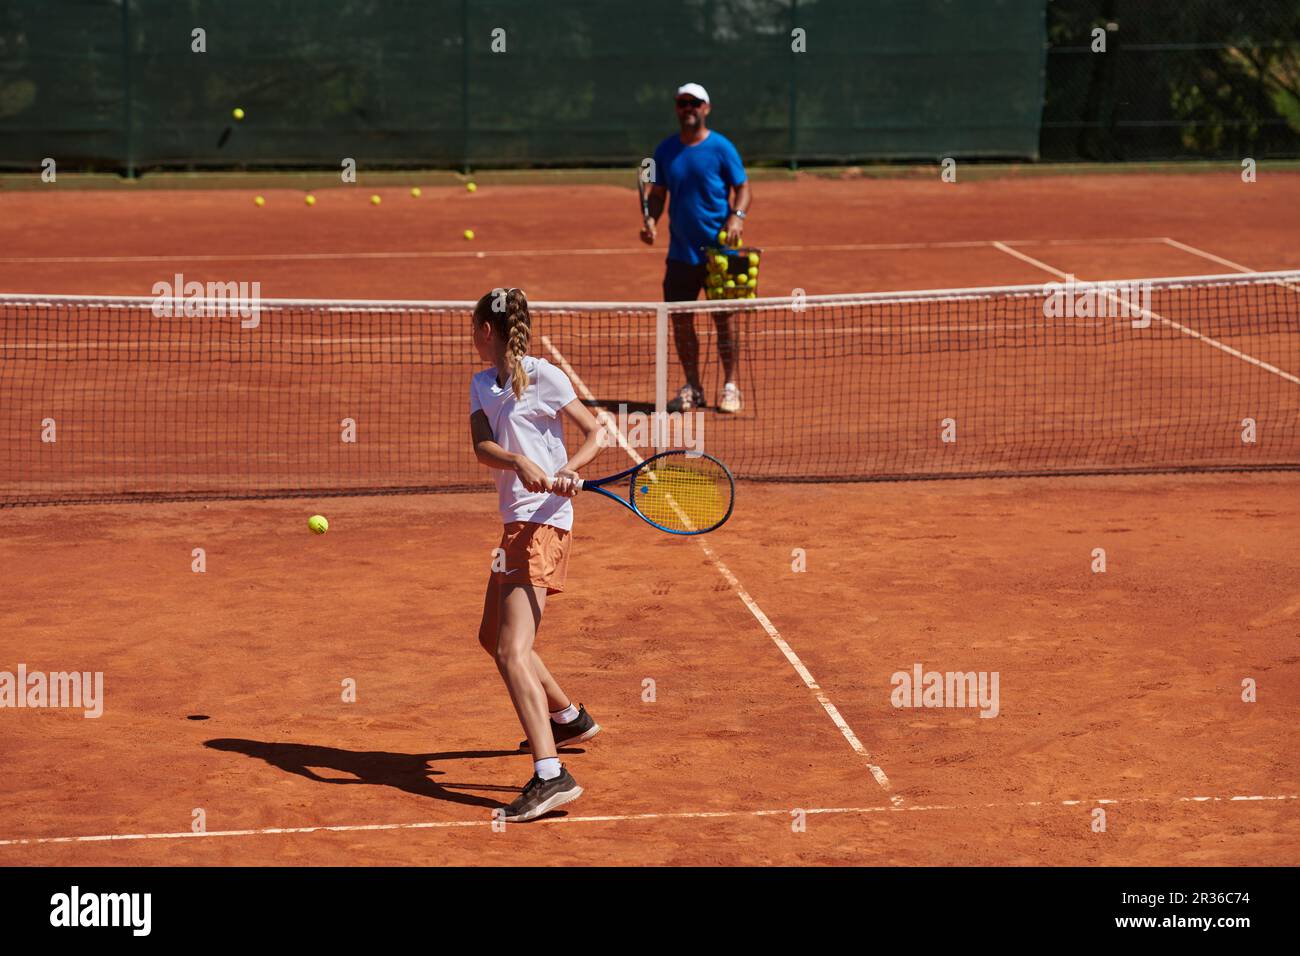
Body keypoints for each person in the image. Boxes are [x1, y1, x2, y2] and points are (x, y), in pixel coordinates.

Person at [468, 287, 605, 823]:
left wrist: (570, 468)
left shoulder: (545, 376)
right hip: (515, 523)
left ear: (485, 331)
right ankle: (568, 717)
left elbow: (596, 433)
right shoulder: (483, 382)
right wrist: (517, 460)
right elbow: (482, 448)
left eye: (471, 328)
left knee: (511, 651)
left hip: (544, 522)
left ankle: (551, 775)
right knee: (490, 636)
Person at [640, 82, 752, 414]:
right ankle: (694, 386)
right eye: (682, 103)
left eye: (694, 103)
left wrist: (737, 217)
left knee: (726, 320)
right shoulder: (665, 150)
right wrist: (652, 222)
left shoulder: (722, 147)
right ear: (677, 107)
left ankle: (731, 386)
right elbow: (658, 195)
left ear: (706, 108)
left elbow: (743, 189)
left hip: (722, 254)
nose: (688, 108)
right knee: (681, 320)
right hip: (680, 254)